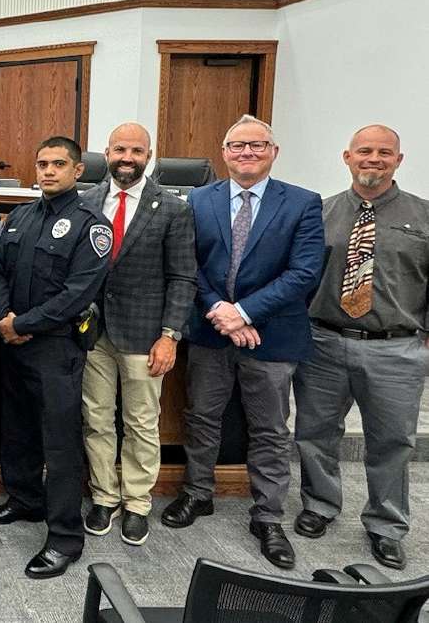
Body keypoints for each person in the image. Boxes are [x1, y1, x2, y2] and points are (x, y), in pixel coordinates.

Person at [160, 115, 324, 570]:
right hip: (211, 331)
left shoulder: (303, 203)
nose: (247, 152)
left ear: (274, 151)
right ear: (224, 152)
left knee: (270, 429)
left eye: (257, 144)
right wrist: (221, 311)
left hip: (272, 335)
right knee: (202, 417)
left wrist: (245, 313)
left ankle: (268, 516)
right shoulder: (199, 199)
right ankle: (198, 493)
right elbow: (188, 263)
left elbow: (305, 272)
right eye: (237, 145)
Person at [293, 124, 429, 570]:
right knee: (315, 432)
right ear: (347, 157)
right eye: (365, 151)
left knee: (392, 441)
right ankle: (319, 504)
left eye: (384, 152)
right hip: (324, 341)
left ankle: (386, 526)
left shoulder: (422, 216)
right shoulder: (320, 212)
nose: (374, 159)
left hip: (395, 348)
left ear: (398, 160)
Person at [0, 136, 112, 578]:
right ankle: (25, 500)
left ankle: (64, 538)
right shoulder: (20, 216)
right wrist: (7, 317)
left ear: (78, 170)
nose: (48, 171)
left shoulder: (91, 225)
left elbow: (78, 293)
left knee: (60, 445)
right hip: (14, 342)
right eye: (42, 164)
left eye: (58, 164)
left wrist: (23, 324)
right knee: (18, 429)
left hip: (57, 347)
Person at [77, 123, 196, 547]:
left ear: (149, 155)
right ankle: (104, 497)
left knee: (141, 422)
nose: (127, 158)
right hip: (94, 333)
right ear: (107, 152)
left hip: (146, 335)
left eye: (136, 151)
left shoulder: (173, 209)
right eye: (120, 149)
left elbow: (183, 277)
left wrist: (170, 335)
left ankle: (137, 503)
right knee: (96, 419)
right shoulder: (86, 201)